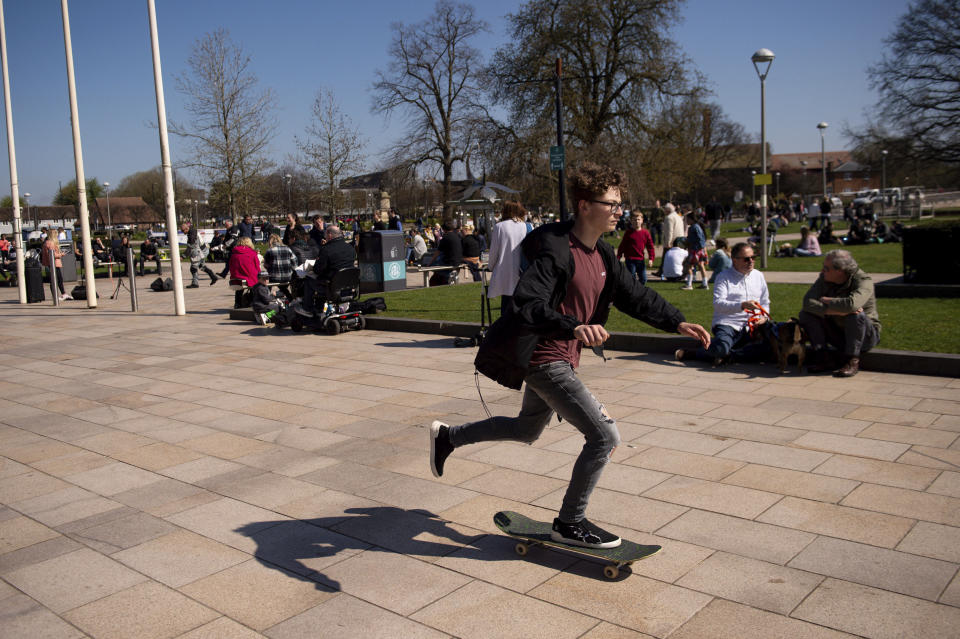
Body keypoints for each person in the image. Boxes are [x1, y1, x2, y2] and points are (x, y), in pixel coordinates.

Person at [428, 162, 710, 549]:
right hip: (544, 357)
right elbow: (528, 302)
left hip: (564, 355)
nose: (618, 211)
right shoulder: (555, 250)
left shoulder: (604, 254)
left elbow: (636, 295)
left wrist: (677, 322)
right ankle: (570, 522)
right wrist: (572, 325)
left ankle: (449, 436)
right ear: (583, 205)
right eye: (610, 203)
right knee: (604, 436)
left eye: (619, 204)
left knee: (527, 430)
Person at [675, 242, 770, 366]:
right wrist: (742, 305)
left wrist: (763, 318)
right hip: (728, 323)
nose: (751, 261)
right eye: (747, 259)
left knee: (771, 347)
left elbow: (765, 302)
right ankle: (695, 353)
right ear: (734, 260)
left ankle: (727, 356)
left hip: (753, 325)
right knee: (722, 347)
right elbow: (718, 304)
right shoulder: (723, 277)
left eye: (753, 257)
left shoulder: (758, 276)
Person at [799, 249, 880, 378]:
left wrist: (827, 300)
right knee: (806, 314)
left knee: (856, 314)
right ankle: (823, 357)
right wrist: (833, 311)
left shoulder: (863, 280)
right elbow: (807, 302)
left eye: (826, 268)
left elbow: (851, 305)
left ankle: (852, 360)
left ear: (840, 271)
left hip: (864, 337)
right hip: (838, 332)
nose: (822, 271)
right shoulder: (824, 279)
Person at [294, 225, 356, 317]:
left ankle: (307, 308)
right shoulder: (350, 248)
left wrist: (314, 266)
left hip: (332, 287)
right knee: (321, 280)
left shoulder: (326, 249)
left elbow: (318, 270)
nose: (324, 237)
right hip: (348, 286)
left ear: (330, 235)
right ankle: (319, 308)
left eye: (325, 234)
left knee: (309, 280)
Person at [487, 200, 529, 315]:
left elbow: (494, 252)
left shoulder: (499, 227)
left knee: (506, 307)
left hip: (505, 271)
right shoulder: (528, 227)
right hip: (524, 272)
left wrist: (490, 267)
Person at [616, 210, 655, 285]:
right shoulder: (628, 233)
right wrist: (619, 256)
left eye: (638, 219)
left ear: (642, 220)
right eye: (634, 220)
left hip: (640, 259)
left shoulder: (645, 233)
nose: (637, 221)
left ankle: (639, 292)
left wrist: (651, 258)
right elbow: (622, 246)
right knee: (631, 279)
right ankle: (632, 293)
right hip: (630, 259)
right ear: (631, 221)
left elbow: (650, 247)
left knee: (643, 279)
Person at [182, 222, 218, 288]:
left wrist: (183, 256)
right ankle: (213, 277)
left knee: (193, 268)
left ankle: (195, 283)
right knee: (202, 266)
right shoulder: (193, 232)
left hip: (200, 252)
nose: (182, 232)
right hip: (204, 250)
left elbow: (191, 247)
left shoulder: (192, 235)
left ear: (187, 228)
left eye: (183, 230)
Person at [681, 211, 708, 290]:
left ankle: (689, 284)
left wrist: (688, 243)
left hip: (695, 250)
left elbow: (699, 239)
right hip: (699, 249)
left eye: (687, 220)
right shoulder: (697, 226)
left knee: (688, 265)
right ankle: (704, 283)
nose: (686, 222)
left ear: (692, 219)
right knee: (701, 266)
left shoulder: (694, 227)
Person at [264, 233, 296, 299]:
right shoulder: (288, 249)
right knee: (283, 287)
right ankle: (289, 298)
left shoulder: (269, 251)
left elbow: (265, 265)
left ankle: (266, 299)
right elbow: (294, 262)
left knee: (266, 279)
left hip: (274, 277)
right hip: (288, 276)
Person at [41, 233, 69, 300]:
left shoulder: (45, 243)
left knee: (55, 279)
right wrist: (61, 254)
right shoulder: (51, 243)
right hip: (54, 263)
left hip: (50, 263)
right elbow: (52, 254)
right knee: (57, 279)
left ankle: (60, 294)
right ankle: (60, 295)